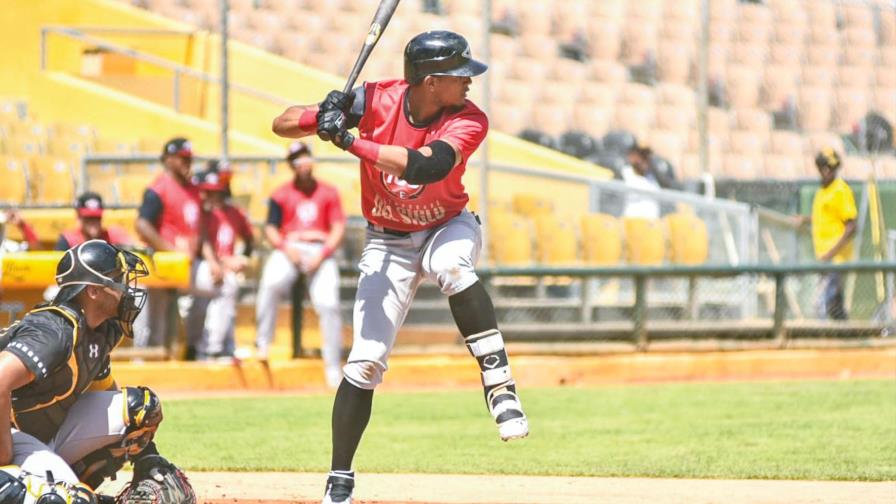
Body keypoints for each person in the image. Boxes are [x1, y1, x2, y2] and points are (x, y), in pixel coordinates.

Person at [272, 30, 529, 504]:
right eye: (458, 75)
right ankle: (339, 478)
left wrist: (349, 141)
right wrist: (321, 115)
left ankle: (499, 384)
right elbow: (281, 124)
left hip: (447, 226)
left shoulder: (469, 119)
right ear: (430, 82)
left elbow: (425, 166)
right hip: (386, 238)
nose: (469, 82)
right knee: (365, 360)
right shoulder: (374, 100)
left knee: (453, 266)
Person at [0, 240, 194, 503]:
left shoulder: (100, 331)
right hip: (7, 439)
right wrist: (5, 457)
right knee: (69, 500)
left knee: (139, 408)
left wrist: (149, 459)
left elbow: (109, 399)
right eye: (117, 280)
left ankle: (61, 482)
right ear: (92, 290)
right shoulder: (54, 331)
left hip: (40, 436)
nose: (125, 288)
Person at [253, 142, 345, 387]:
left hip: (320, 248)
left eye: (305, 157)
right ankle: (263, 343)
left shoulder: (328, 191)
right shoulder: (280, 193)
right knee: (271, 282)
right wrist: (285, 247)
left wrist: (323, 253)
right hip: (290, 246)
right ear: (291, 165)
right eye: (297, 159)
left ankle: (333, 367)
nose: (302, 163)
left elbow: (338, 227)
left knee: (328, 303)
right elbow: (271, 228)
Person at [133, 137, 202, 354]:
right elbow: (142, 224)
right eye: (182, 158)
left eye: (188, 158)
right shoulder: (159, 188)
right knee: (155, 323)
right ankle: (146, 361)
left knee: (220, 287)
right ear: (168, 159)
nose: (187, 162)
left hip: (190, 262)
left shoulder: (193, 188)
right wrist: (170, 250)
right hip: (162, 262)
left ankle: (199, 350)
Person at [191, 163, 254, 361]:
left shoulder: (234, 213)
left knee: (228, 289)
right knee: (221, 290)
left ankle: (221, 348)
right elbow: (200, 248)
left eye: (216, 193)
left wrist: (242, 258)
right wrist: (224, 263)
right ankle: (209, 349)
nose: (213, 197)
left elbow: (250, 239)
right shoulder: (202, 214)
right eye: (208, 193)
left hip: (224, 269)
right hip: (206, 268)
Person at [799, 148, 857, 320]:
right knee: (834, 305)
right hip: (824, 256)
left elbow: (851, 225)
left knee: (821, 303)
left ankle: (820, 339)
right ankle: (848, 338)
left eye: (831, 168)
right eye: (824, 167)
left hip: (835, 258)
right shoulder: (822, 191)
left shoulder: (840, 189)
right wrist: (806, 219)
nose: (827, 171)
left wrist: (831, 253)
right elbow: (825, 218)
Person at [55, 192, 133, 250]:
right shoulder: (68, 240)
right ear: (79, 217)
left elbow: (134, 247)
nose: (94, 222)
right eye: (88, 218)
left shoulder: (112, 235)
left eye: (97, 217)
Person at [621, 143, 661, 219]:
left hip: (651, 225)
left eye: (646, 157)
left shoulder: (652, 179)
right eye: (641, 156)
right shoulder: (625, 172)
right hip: (631, 221)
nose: (644, 161)